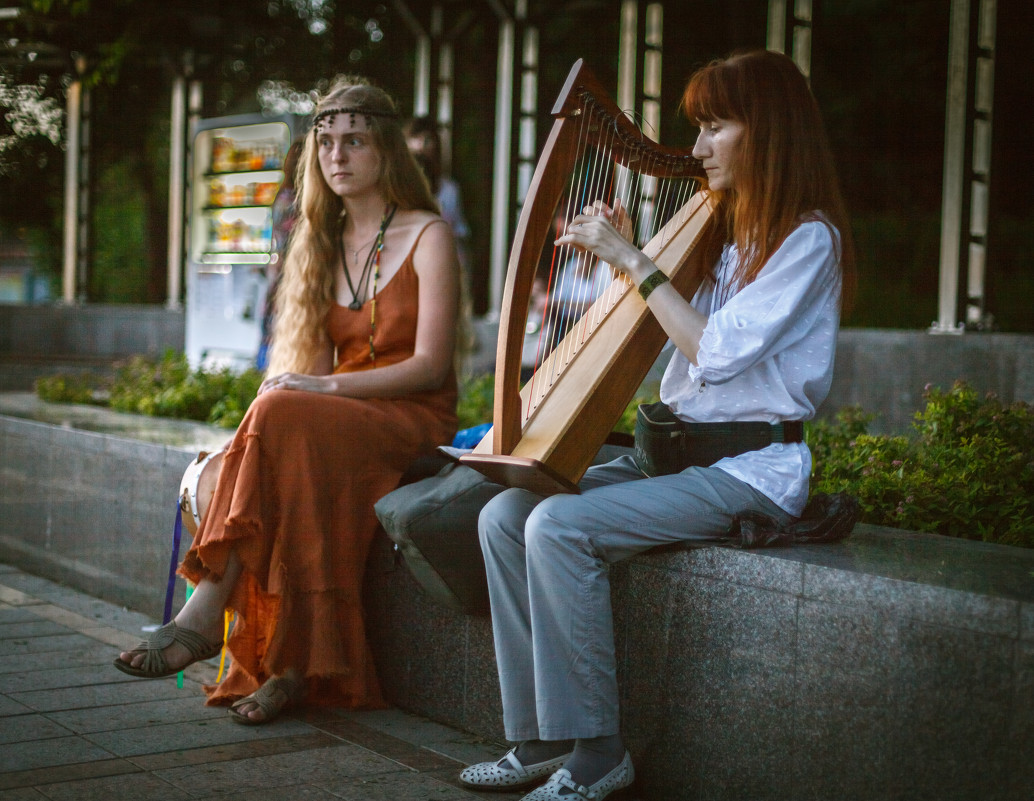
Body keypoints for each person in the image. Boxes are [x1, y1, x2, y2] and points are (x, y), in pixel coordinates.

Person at [458, 49, 854, 801]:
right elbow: (673, 323)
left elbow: (716, 349)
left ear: (765, 131)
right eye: (697, 128)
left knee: (558, 527)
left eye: (714, 126)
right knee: (505, 514)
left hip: (751, 471)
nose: (698, 147)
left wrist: (631, 260)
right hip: (677, 458)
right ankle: (541, 734)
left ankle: (599, 752)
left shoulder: (808, 241)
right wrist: (627, 259)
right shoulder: (726, 235)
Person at [114, 75, 461, 725]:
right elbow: (296, 380)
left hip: (413, 417)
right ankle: (291, 666)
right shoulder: (319, 242)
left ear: (386, 150)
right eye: (326, 142)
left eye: (354, 141)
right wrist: (260, 432)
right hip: (338, 419)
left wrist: (325, 387)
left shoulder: (428, 233)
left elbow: (430, 366)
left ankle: (203, 613)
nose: (337, 156)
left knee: (284, 412)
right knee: (289, 445)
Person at [257, 139, 302, 371]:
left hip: (277, 275)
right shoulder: (297, 201)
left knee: (271, 333)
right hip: (291, 275)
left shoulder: (281, 197)